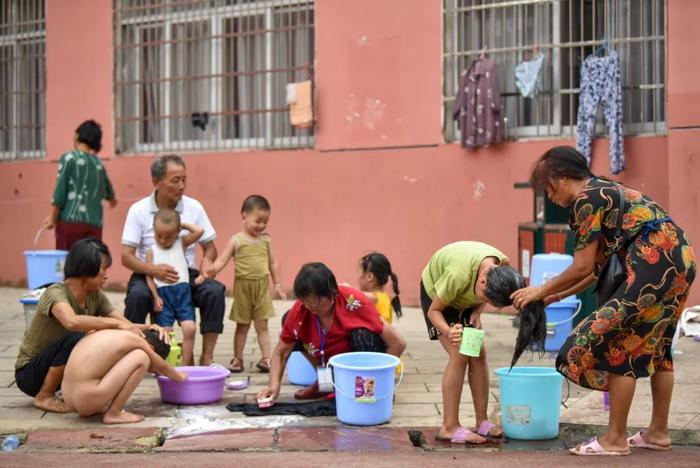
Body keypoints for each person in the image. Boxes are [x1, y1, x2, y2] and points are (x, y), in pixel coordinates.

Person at [511, 146, 696, 456]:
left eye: (548, 186)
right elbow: (597, 270)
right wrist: (554, 296)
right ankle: (658, 432)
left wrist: (538, 291)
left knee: (618, 344)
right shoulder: (606, 190)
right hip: (679, 259)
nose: (548, 195)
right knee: (660, 348)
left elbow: (581, 266)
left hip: (651, 265)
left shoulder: (585, 200)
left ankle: (615, 439)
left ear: (563, 177)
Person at [14, 238, 167, 413]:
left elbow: (126, 325)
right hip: (30, 374)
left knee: (108, 344)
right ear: (86, 268)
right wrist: (115, 325)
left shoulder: (95, 296)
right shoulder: (55, 293)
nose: (106, 275)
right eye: (103, 268)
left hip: (61, 373)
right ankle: (44, 395)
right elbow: (71, 322)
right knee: (75, 339)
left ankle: (76, 394)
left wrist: (151, 328)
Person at [421, 241, 546, 444]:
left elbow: (484, 298)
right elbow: (433, 311)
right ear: (482, 281)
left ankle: (482, 421)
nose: (487, 303)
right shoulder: (456, 275)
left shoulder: (502, 267)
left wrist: (477, 310)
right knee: (459, 353)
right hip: (438, 296)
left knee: (478, 352)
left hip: (465, 297)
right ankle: (449, 427)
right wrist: (448, 330)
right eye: (487, 300)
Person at [121, 154, 226, 366]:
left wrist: (206, 267)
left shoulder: (193, 207)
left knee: (214, 291)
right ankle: (133, 353)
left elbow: (209, 248)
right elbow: (126, 257)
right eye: (175, 180)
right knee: (137, 296)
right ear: (156, 182)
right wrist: (154, 270)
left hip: (185, 275)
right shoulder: (139, 210)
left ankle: (207, 356)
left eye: (184, 180)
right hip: (148, 273)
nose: (181, 186)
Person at [256, 262, 406, 402]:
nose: (309, 307)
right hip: (325, 359)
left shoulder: (354, 302)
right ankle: (326, 382)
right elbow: (280, 353)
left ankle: (364, 390)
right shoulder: (301, 309)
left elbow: (398, 343)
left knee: (363, 335)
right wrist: (273, 386)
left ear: (332, 294)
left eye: (314, 301)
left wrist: (379, 383)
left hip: (354, 362)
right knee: (288, 320)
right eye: (305, 301)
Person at [196, 195, 286, 373]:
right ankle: (238, 359)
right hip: (243, 289)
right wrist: (207, 274)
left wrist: (277, 284)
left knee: (263, 326)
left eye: (265, 222)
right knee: (242, 326)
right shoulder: (236, 240)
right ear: (244, 215)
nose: (261, 225)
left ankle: (266, 358)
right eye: (258, 221)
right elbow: (221, 261)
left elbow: (273, 263)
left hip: (261, 287)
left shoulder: (266, 240)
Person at [62, 329, 187, 424]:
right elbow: (162, 366)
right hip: (87, 399)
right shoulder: (137, 341)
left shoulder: (115, 333)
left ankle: (93, 407)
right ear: (151, 347)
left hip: (68, 398)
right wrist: (179, 377)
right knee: (142, 357)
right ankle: (114, 413)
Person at [43, 120, 117, 250]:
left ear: (77, 135)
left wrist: (52, 218)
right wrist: (112, 201)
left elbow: (60, 192)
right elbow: (110, 194)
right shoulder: (98, 164)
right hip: (94, 225)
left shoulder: (69, 158)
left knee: (68, 264)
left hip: (70, 221)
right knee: (89, 265)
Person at [145, 209, 204, 366]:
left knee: (189, 328)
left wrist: (181, 225)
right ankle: (167, 364)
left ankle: (186, 365)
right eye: (159, 236)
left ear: (177, 232)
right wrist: (155, 296)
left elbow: (200, 231)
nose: (163, 240)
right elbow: (148, 276)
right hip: (164, 295)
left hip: (183, 293)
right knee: (166, 333)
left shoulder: (181, 242)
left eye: (168, 236)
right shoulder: (152, 250)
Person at [357, 252, 402, 323]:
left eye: (360, 273)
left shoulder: (372, 298)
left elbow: (350, 297)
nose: (358, 277)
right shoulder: (384, 297)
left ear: (369, 277)